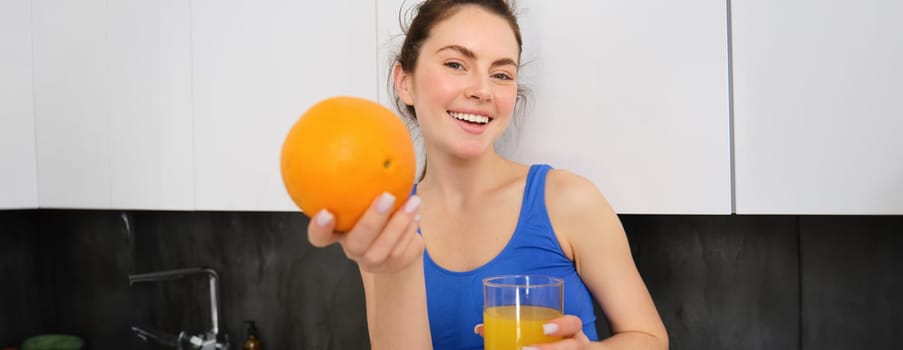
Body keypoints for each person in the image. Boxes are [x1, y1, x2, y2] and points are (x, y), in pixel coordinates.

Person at [308, 0, 668, 349]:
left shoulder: (568, 200)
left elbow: (650, 339)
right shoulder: (389, 227)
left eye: (501, 74)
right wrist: (394, 271)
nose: (482, 90)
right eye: (455, 64)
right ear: (405, 81)